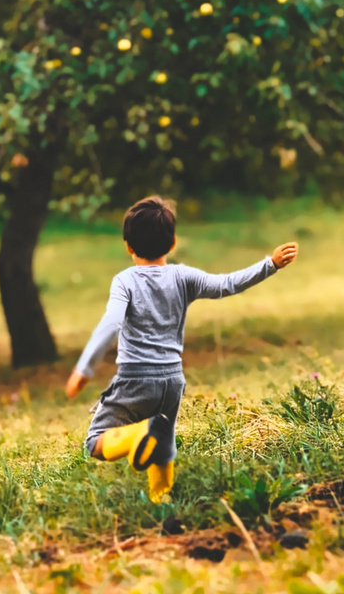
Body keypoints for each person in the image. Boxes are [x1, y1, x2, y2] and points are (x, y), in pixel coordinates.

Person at [65, 196, 298, 503]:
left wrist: (84, 369)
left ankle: (138, 435)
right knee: (162, 441)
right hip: (172, 381)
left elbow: (111, 324)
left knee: (95, 442)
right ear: (173, 242)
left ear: (128, 247)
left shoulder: (124, 281)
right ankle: (162, 501)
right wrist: (270, 264)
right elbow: (227, 284)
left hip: (136, 378)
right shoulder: (183, 276)